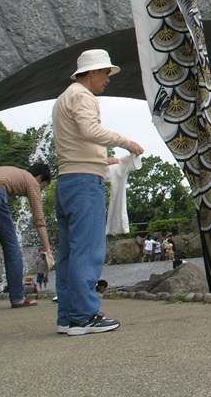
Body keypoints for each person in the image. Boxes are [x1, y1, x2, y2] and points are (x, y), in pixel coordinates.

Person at [53, 49, 146, 335]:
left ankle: (68, 316)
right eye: (105, 72)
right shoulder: (83, 96)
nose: (108, 78)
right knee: (89, 249)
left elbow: (75, 139)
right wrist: (126, 142)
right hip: (84, 185)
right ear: (91, 72)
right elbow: (90, 129)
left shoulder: (63, 98)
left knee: (69, 252)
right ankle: (84, 316)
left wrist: (100, 160)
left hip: (67, 181)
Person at [0, 160, 54, 314]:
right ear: (40, 178)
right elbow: (39, 218)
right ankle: (18, 298)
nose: (41, 190)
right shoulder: (31, 181)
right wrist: (47, 247)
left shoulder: (8, 168)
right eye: (43, 187)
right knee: (12, 248)